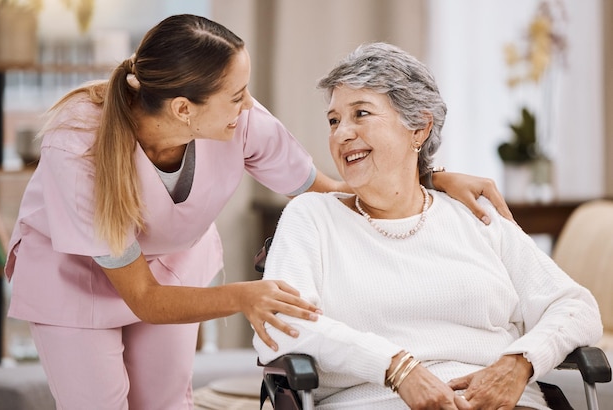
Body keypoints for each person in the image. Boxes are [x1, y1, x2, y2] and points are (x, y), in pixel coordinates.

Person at [5, 14, 511, 409]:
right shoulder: (78, 145)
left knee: (163, 403)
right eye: (236, 95)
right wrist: (247, 296)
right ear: (184, 108)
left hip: (172, 271)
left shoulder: (241, 122)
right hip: (78, 279)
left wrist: (431, 178)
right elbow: (142, 297)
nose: (248, 107)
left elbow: (330, 191)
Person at [253, 42, 603, 410]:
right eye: (334, 120)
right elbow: (280, 325)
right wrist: (396, 368)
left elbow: (575, 306)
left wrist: (518, 363)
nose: (341, 134)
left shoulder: (474, 214)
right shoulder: (311, 217)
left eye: (361, 113)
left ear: (419, 128)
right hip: (371, 402)